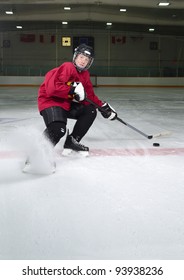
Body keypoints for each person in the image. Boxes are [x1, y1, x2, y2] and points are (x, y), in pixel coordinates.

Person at [38, 43, 117, 156]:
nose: (83, 61)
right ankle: (37, 156)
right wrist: (71, 89)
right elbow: (52, 89)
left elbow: (89, 96)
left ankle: (72, 141)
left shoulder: (84, 74)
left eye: (87, 59)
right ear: (75, 57)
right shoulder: (68, 67)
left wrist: (103, 107)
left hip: (65, 104)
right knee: (58, 129)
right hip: (50, 102)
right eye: (81, 57)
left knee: (90, 111)